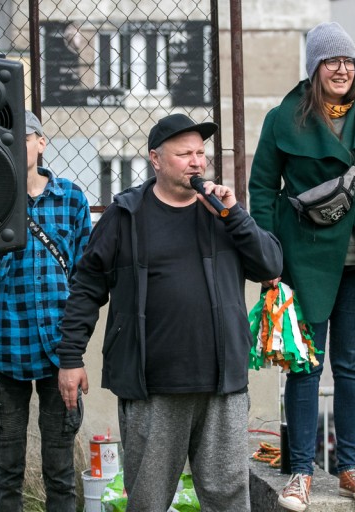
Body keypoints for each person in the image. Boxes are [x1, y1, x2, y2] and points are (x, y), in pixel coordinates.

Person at [56, 113, 283, 512]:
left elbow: (271, 266)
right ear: (156, 160)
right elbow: (86, 287)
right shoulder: (125, 216)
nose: (197, 162)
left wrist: (234, 215)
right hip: (153, 386)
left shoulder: (224, 213)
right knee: (148, 500)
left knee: (229, 500)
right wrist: (71, 357)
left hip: (222, 385)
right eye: (184, 154)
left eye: (200, 153)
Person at [247, 21, 355, 509]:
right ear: (314, 67)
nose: (342, 70)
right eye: (332, 61)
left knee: (351, 366)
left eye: (349, 61)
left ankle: (348, 467)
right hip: (304, 265)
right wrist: (268, 255)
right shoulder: (283, 119)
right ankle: (301, 472)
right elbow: (262, 189)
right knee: (306, 366)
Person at [0, 111, 92, 511]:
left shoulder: (71, 198)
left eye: (23, 138)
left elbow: (84, 279)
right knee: (8, 470)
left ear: (41, 142)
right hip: (5, 349)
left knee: (60, 470)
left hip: (59, 352)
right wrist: (6, 204)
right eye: (6, 140)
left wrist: (75, 351)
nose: (14, 146)